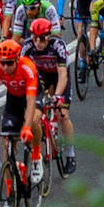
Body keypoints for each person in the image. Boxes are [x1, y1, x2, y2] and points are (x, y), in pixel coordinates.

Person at [0, 39, 44, 185]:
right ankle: (10, 195)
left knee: (34, 120)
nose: (5, 67)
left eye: (9, 63)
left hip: (32, 96)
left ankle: (35, 157)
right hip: (13, 98)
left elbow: (30, 101)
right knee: (7, 143)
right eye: (2, 62)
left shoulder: (27, 67)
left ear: (17, 59)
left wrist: (27, 127)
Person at [21, 16, 75, 173]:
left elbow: (63, 74)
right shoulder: (27, 46)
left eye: (43, 39)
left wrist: (57, 96)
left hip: (58, 76)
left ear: (49, 36)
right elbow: (22, 72)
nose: (38, 42)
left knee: (62, 114)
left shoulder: (58, 45)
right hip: (41, 76)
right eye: (35, 38)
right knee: (34, 113)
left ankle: (70, 153)